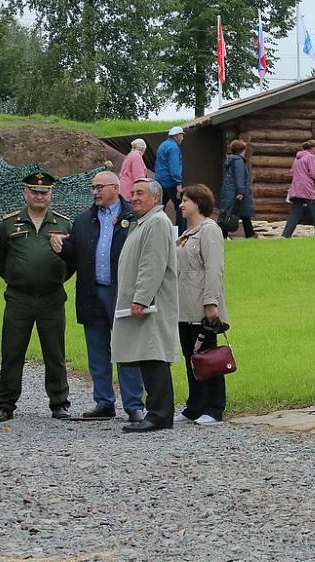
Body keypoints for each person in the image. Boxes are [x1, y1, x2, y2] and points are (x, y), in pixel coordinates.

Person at [52, 171, 145, 422]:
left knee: (126, 349)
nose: (95, 192)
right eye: (93, 187)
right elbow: (77, 254)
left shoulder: (133, 217)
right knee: (97, 351)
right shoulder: (83, 220)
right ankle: (104, 402)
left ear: (115, 188)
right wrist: (62, 245)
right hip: (92, 293)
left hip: (122, 294)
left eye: (100, 187)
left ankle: (134, 404)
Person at [0, 172, 74, 422]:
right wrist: (17, 277)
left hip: (51, 298)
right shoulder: (9, 224)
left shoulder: (64, 224)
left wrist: (56, 278)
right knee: (12, 353)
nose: (40, 196)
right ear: (25, 194)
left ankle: (59, 403)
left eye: (44, 192)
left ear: (51, 195)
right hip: (19, 299)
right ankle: (5, 404)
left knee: (55, 353)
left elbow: (72, 260)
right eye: (35, 192)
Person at [113, 177, 180, 433]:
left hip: (152, 305)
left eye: (140, 193)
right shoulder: (145, 222)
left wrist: (141, 298)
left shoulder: (157, 222)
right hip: (146, 302)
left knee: (154, 357)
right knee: (148, 356)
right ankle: (156, 413)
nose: (134, 197)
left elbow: (152, 264)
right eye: (132, 193)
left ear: (155, 198)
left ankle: (159, 415)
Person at [176, 184, 229, 425]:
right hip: (184, 307)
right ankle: (194, 406)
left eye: (185, 200)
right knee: (192, 358)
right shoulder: (187, 233)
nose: (181, 205)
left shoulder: (209, 230)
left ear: (198, 203)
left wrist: (211, 302)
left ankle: (214, 408)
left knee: (209, 357)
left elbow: (213, 268)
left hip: (201, 305)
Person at [281, 139, 315, 238]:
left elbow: (292, 172)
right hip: (307, 188)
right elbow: (313, 173)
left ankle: (285, 235)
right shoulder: (310, 157)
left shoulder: (297, 158)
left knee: (295, 213)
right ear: (313, 148)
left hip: (296, 188)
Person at [218, 139, 256, 239]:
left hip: (230, 191)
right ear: (242, 150)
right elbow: (239, 177)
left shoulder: (231, 160)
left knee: (236, 214)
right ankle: (249, 234)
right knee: (235, 214)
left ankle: (249, 234)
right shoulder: (239, 161)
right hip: (237, 192)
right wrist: (240, 191)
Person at [155, 125, 186, 234]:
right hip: (171, 182)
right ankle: (180, 233)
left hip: (160, 182)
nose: (182, 137)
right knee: (181, 208)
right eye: (181, 135)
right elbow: (174, 166)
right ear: (177, 135)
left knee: (158, 209)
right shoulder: (173, 148)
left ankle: (156, 231)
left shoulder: (163, 145)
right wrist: (178, 184)